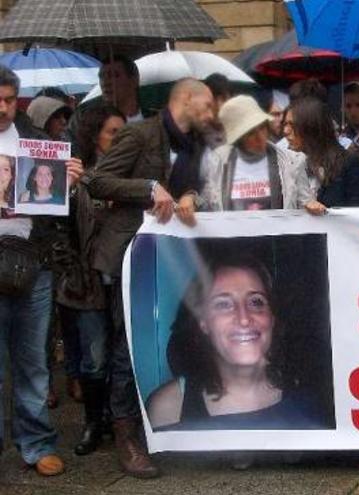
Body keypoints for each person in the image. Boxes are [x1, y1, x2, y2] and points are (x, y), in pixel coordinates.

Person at [83, 78, 215, 479]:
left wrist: (191, 194)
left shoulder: (193, 144)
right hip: (129, 251)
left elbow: (187, 185)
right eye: (207, 105)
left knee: (155, 337)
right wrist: (148, 187)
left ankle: (152, 425)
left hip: (168, 254)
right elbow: (97, 180)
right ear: (186, 99)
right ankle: (126, 437)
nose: (211, 114)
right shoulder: (140, 135)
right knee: (128, 344)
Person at [0, 65, 84, 477]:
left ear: (17, 100)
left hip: (33, 261)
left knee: (34, 361)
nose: (1, 108)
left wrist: (67, 185)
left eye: (7, 100)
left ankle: (36, 444)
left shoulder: (37, 141)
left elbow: (54, 204)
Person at [146, 256, 327, 431]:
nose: (244, 319)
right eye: (223, 304)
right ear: (204, 323)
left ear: (272, 318)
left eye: (256, 302)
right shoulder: (167, 409)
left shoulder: (314, 396)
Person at [57, 104, 126, 457]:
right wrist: (69, 189)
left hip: (123, 276)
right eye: (112, 132)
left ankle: (120, 420)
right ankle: (93, 422)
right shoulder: (78, 174)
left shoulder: (131, 172)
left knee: (120, 354)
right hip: (87, 282)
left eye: (122, 132)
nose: (118, 139)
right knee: (94, 357)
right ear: (94, 134)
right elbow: (61, 229)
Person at [199, 95, 317, 212]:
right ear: (239, 138)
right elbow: (205, 202)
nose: (260, 137)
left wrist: (311, 207)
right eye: (251, 133)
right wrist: (191, 199)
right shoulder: (217, 162)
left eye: (262, 128)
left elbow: (305, 203)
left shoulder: (292, 162)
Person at [283, 97, 359, 209]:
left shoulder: (347, 164)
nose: (286, 131)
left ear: (311, 127)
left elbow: (358, 211)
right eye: (285, 124)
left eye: (293, 125)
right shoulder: (283, 163)